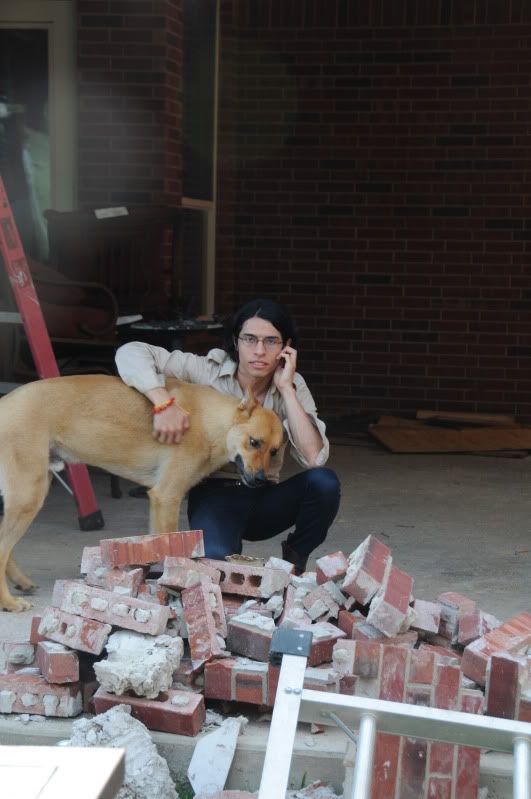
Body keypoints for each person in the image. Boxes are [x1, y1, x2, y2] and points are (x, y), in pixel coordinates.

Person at [115, 298, 340, 573]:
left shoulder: (292, 384)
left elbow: (314, 458)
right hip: (215, 494)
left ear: (286, 347)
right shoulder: (206, 371)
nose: (259, 351)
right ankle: (221, 549)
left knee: (324, 483)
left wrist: (287, 390)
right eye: (250, 339)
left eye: (271, 341)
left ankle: (296, 557)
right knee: (217, 569)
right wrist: (162, 402)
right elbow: (130, 352)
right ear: (235, 341)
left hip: (264, 493)